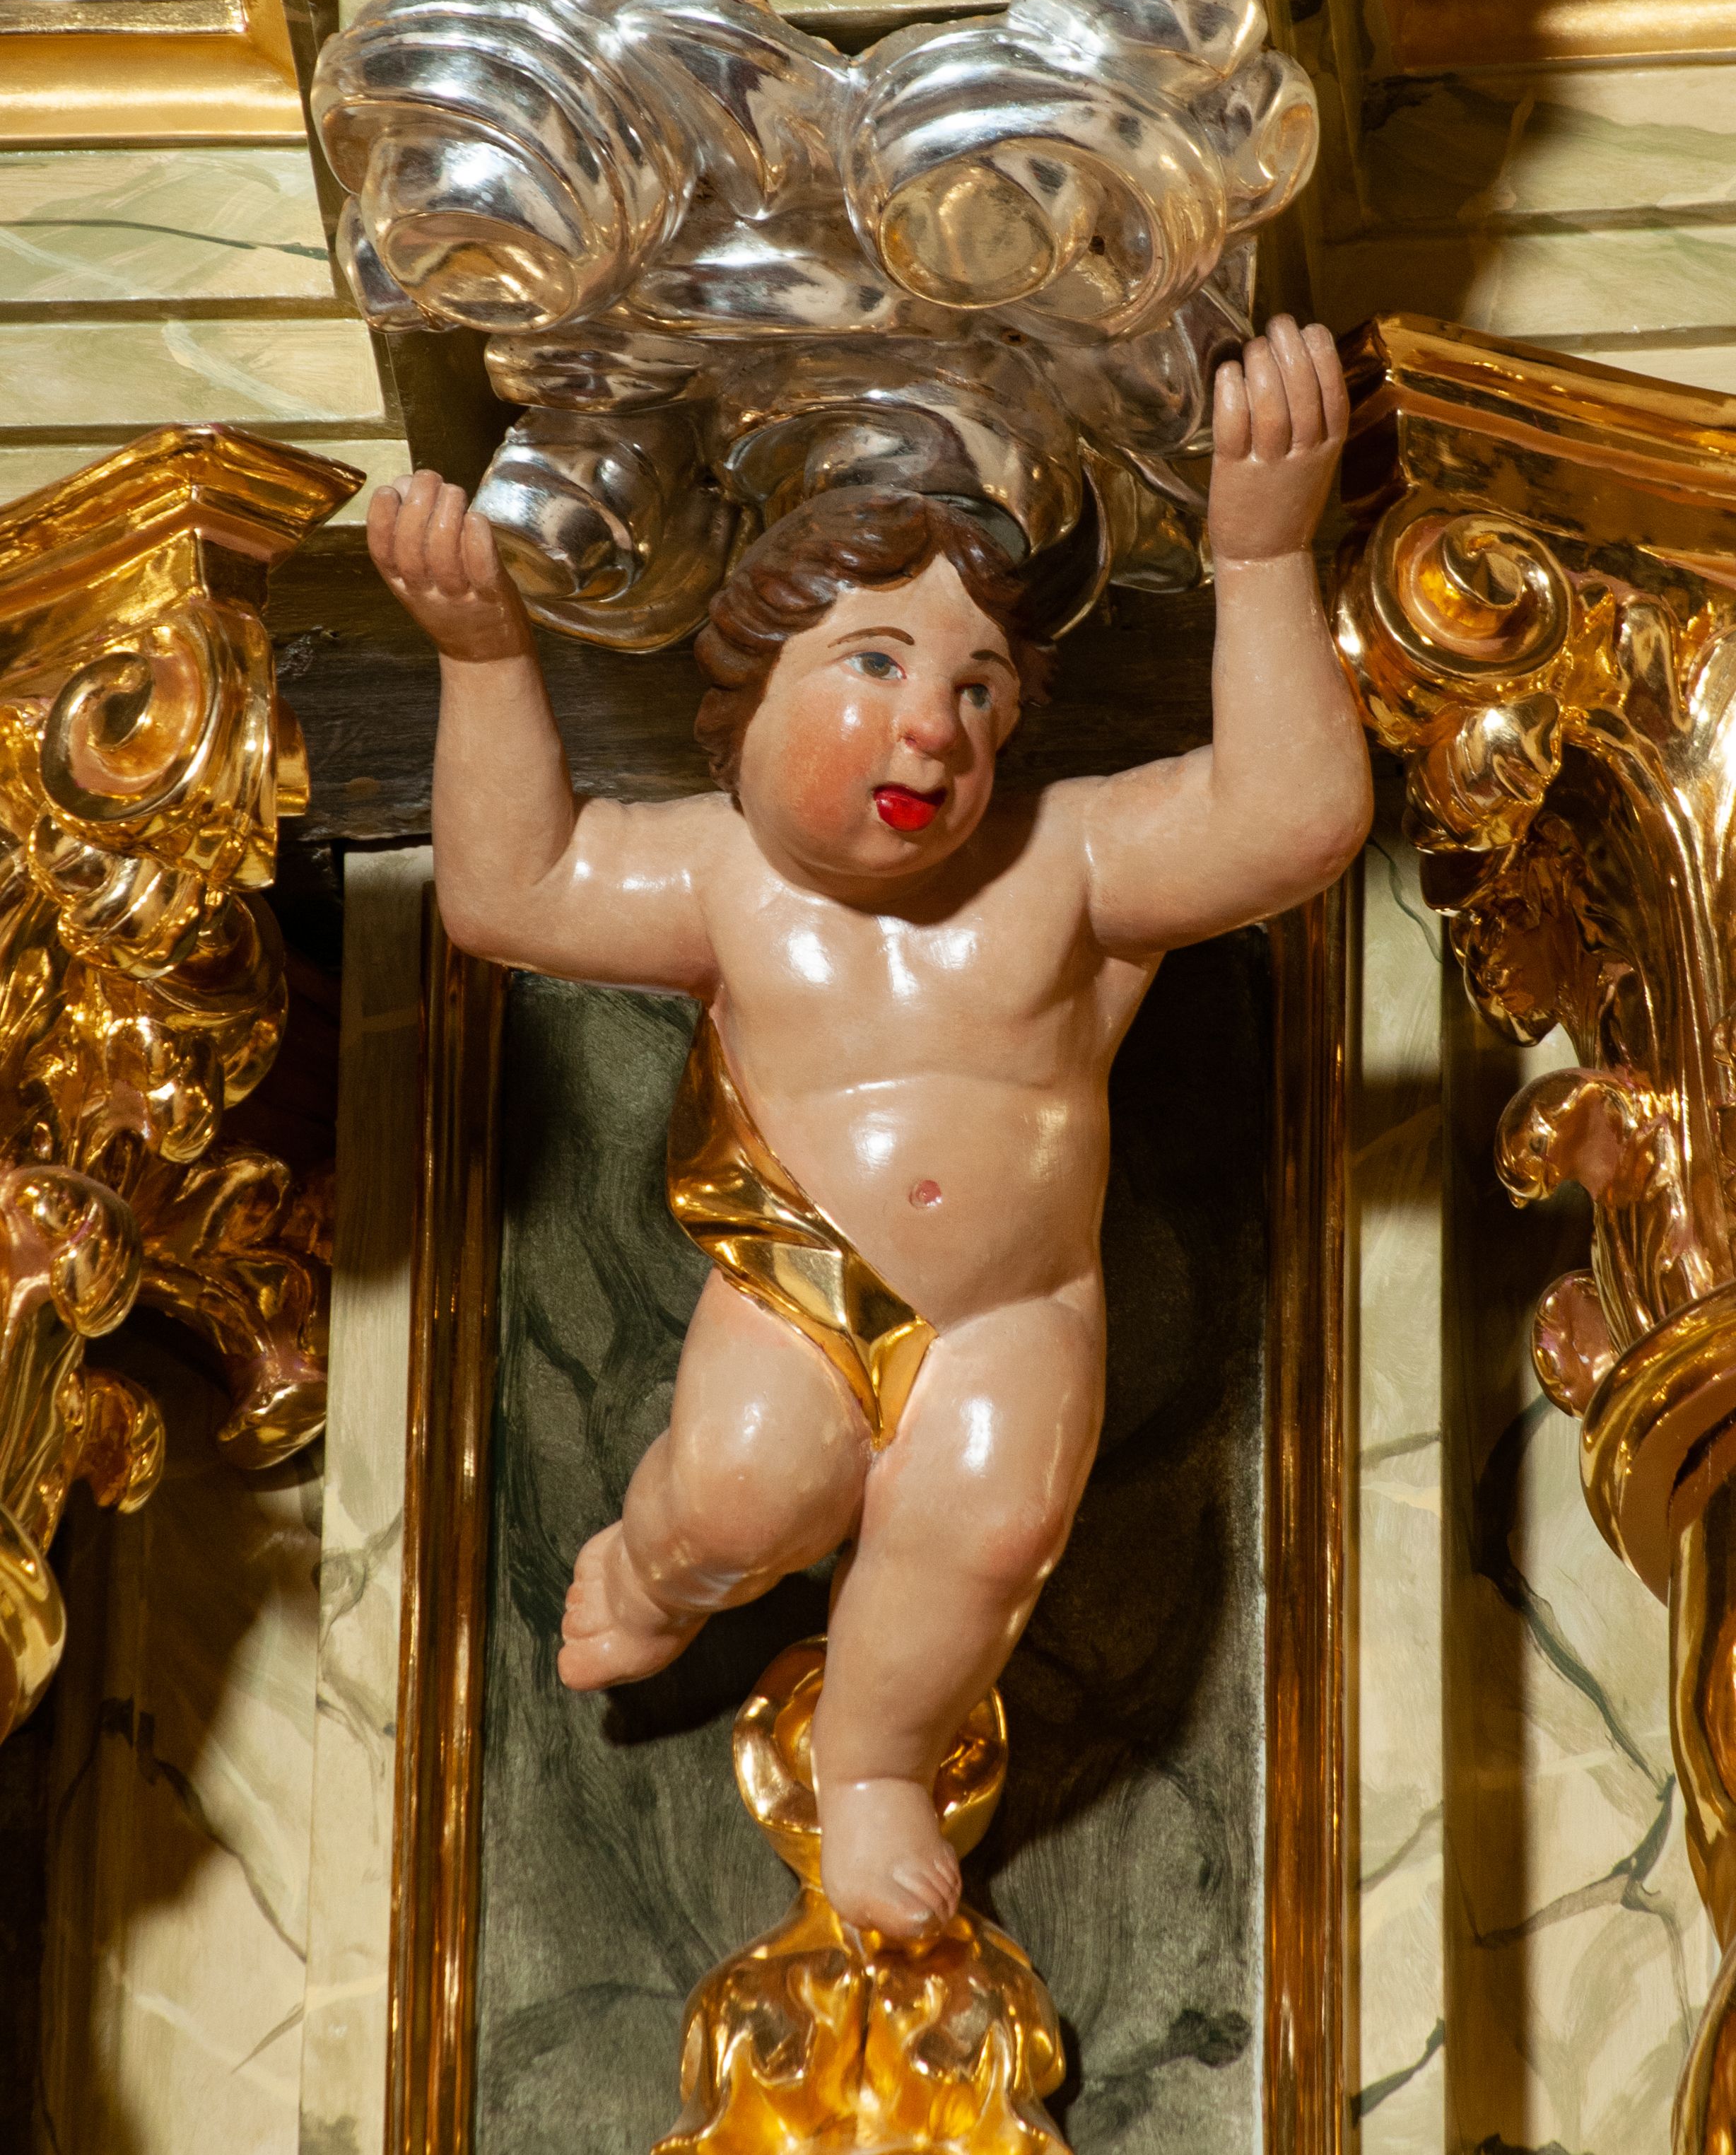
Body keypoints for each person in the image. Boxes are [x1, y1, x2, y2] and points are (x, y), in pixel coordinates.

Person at [366, 315, 1371, 1941]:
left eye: (980, 688)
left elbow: (1290, 819)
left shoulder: (1067, 862)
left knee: (991, 1529)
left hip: (1010, 1311)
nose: (935, 728)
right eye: (877, 665)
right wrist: (484, 661)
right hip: (800, 1277)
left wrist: (1261, 559)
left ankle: (875, 1763)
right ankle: (655, 1566)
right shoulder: (721, 877)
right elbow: (510, 891)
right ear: (748, 693)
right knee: (739, 1494)